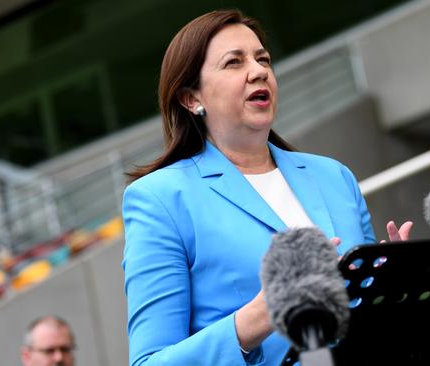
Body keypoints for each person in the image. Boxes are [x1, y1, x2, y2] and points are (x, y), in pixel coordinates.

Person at [121, 9, 412, 366]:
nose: (259, 71)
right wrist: (257, 318)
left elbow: (367, 321)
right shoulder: (160, 199)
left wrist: (396, 289)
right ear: (191, 99)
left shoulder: (334, 177)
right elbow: (149, 362)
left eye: (263, 59)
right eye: (234, 62)